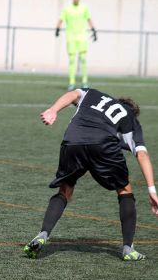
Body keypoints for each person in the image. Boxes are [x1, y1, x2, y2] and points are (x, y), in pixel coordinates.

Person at [23, 88, 158, 261]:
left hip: (73, 139)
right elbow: (142, 154)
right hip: (102, 145)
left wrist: (53, 110)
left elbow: (73, 94)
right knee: (125, 190)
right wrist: (152, 189)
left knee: (65, 190)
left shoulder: (94, 94)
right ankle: (128, 249)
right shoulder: (129, 117)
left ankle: (43, 234)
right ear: (133, 112)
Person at [56, 0, 97, 91]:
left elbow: (89, 19)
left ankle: (85, 82)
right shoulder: (67, 9)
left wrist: (93, 30)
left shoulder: (84, 8)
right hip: (71, 38)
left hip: (82, 37)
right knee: (71, 60)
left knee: (83, 59)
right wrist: (57, 28)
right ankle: (71, 82)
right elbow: (61, 19)